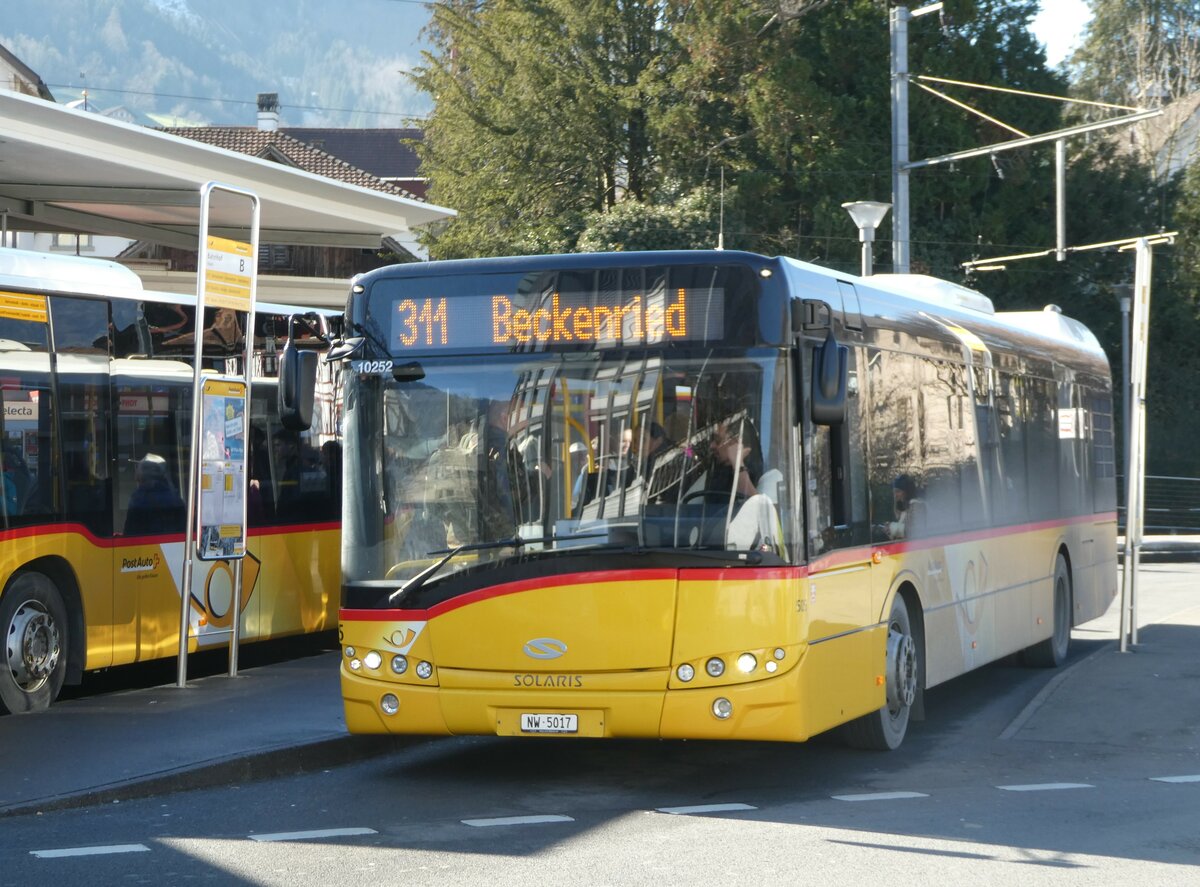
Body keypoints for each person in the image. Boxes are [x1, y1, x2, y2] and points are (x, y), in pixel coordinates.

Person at [124, 453, 185, 536]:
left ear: (144, 472)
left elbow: (130, 532)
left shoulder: (139, 498)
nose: (136, 470)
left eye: (138, 467)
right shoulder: (175, 497)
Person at [887, 474, 925, 540]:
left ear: (907, 491)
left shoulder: (917, 506)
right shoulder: (904, 508)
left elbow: (916, 531)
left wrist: (892, 527)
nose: (895, 495)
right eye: (894, 492)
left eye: (898, 491)